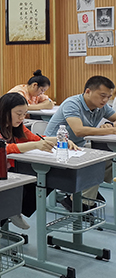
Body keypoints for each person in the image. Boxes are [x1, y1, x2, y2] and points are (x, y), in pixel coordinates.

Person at [0, 93, 77, 229]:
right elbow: (2, 149)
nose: (22, 118)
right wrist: (35, 145)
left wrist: (61, 140)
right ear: (5, 111)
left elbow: (35, 138)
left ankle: (14, 210)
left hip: (5, 166)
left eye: (24, 114)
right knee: (25, 180)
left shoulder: (14, 123)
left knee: (49, 176)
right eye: (19, 114)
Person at [45, 75, 116, 206]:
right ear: (88, 91)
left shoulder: (102, 106)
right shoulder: (72, 104)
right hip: (57, 148)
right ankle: (79, 200)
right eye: (102, 95)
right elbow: (79, 130)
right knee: (96, 163)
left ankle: (85, 189)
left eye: (109, 97)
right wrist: (111, 130)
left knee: (111, 160)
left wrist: (109, 125)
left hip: (78, 148)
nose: (106, 100)